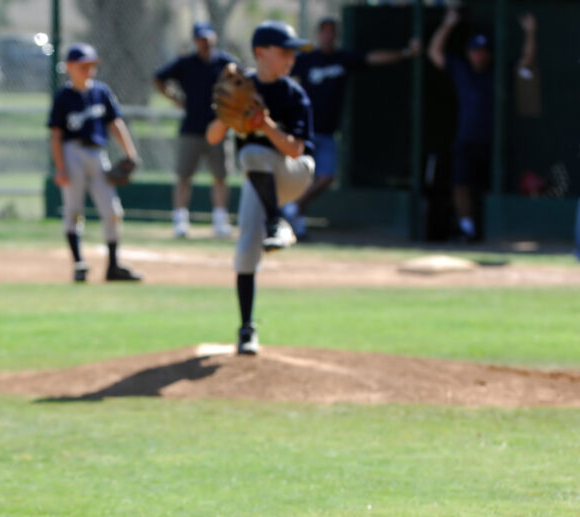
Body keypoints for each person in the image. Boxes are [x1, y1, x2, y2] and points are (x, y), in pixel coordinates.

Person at [207, 21, 314, 356]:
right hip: (259, 180)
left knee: (255, 151)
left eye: (293, 52)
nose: (291, 58)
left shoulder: (293, 94)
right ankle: (246, 329)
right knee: (245, 252)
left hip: (293, 175)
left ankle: (277, 222)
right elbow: (212, 138)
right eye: (284, 51)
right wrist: (230, 114)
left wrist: (263, 123)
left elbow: (296, 150)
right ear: (260, 53)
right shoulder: (240, 86)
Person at [284, 17, 420, 238]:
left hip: (328, 133)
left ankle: (293, 209)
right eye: (324, 32)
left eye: (332, 32)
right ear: (319, 35)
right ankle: (297, 222)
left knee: (326, 178)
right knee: (302, 178)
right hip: (303, 131)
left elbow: (373, 58)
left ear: (336, 35)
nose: (328, 36)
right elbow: (281, 72)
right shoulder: (307, 60)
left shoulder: (343, 58)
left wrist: (405, 53)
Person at [428, 9, 537, 242]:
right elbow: (434, 53)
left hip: (493, 142)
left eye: (483, 51)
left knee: (490, 186)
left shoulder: (497, 72)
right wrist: (447, 25)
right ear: (469, 53)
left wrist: (530, 32)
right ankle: (467, 230)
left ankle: (491, 231)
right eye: (475, 51)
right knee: (460, 185)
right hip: (465, 139)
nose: (479, 56)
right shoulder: (460, 69)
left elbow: (526, 61)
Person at [48, 42, 143, 283]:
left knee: (112, 210)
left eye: (91, 65)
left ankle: (113, 266)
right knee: (74, 210)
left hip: (98, 153)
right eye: (83, 65)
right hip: (72, 153)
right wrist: (60, 167)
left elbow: (116, 124)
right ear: (69, 67)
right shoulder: (63, 97)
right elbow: (56, 135)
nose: (88, 70)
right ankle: (79, 263)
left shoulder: (101, 92)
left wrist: (130, 153)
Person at [153, 22, 239, 239]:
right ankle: (180, 221)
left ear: (214, 39)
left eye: (208, 39)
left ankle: (220, 221)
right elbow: (159, 78)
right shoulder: (186, 63)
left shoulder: (225, 63)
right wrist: (175, 99)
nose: (205, 44)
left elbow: (243, 83)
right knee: (183, 176)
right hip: (191, 128)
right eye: (201, 40)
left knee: (220, 176)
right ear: (195, 41)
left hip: (218, 128)